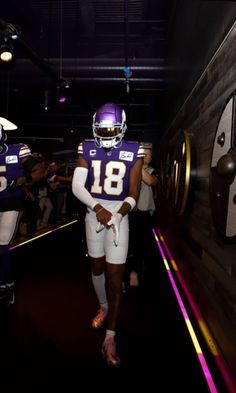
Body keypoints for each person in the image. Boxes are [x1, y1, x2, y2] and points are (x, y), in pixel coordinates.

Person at [72, 102, 144, 367]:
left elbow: (134, 193)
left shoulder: (135, 150)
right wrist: (98, 208)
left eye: (112, 128)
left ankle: (110, 336)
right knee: (97, 268)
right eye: (102, 129)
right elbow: (78, 186)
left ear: (122, 127)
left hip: (118, 216)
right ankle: (103, 305)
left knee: (116, 277)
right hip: (94, 211)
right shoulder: (87, 147)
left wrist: (118, 213)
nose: (107, 133)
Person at [0, 117, 47, 308]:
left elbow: (40, 170)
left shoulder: (17, 151)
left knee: (2, 245)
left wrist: (23, 179)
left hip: (11, 203)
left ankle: (7, 285)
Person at [128, 142, 159, 287]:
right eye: (143, 154)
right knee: (129, 245)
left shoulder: (152, 170)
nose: (145, 156)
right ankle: (129, 273)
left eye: (147, 154)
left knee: (143, 245)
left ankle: (139, 271)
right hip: (129, 213)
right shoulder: (130, 169)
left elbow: (151, 181)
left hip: (144, 214)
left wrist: (137, 165)